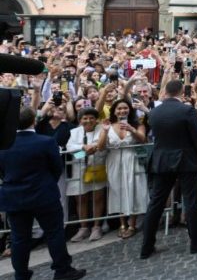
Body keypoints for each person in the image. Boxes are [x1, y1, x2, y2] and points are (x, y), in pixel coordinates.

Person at [0, 107, 87, 280]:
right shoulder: (45, 141)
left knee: (19, 239)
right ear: (33, 121)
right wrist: (46, 183)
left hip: (15, 197)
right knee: (54, 233)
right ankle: (62, 270)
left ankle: (21, 274)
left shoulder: (3, 145)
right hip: (43, 194)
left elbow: (2, 172)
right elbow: (56, 168)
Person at [140, 79, 197, 259]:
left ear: (166, 92)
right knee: (190, 201)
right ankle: (196, 242)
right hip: (186, 160)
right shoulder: (186, 110)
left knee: (156, 203)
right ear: (181, 92)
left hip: (161, 161)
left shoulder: (154, 112)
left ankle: (146, 246)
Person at [97, 99, 148, 239]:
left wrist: (132, 129)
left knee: (134, 189)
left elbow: (143, 139)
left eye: (125, 108)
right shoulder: (107, 125)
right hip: (114, 161)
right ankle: (122, 224)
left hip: (132, 159)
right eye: (119, 109)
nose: (122, 111)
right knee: (117, 190)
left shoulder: (138, 124)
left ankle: (132, 224)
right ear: (114, 111)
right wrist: (105, 132)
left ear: (130, 110)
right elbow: (100, 147)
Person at [66, 108, 107, 242]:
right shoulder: (74, 132)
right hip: (79, 169)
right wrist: (84, 148)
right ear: (80, 120)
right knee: (81, 198)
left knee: (98, 198)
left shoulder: (102, 129)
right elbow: (70, 148)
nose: (88, 120)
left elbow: (102, 147)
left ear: (96, 120)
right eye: (85, 118)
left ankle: (96, 226)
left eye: (91, 118)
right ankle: (83, 228)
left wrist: (92, 148)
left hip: (97, 167)